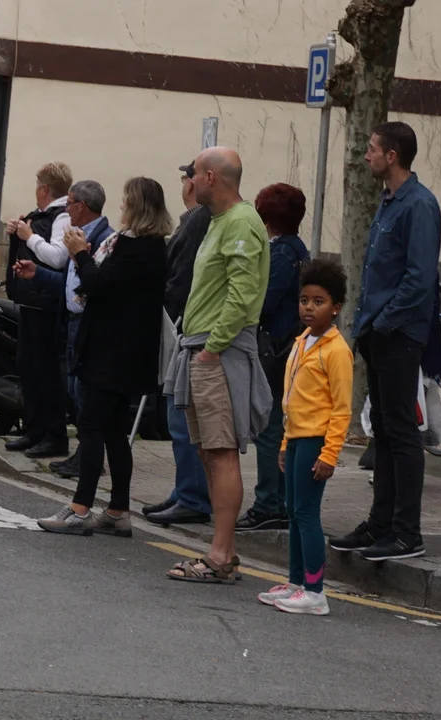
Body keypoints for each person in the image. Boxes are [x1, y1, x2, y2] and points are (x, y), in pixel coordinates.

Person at [22, 177, 169, 536]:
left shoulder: (137, 249)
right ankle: (118, 509)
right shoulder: (145, 246)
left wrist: (80, 253)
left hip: (113, 351)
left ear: (138, 207)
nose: (121, 207)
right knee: (114, 430)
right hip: (123, 351)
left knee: (91, 426)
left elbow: (98, 285)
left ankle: (80, 508)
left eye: (126, 201)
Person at [331, 121, 441, 561]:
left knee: (401, 433)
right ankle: (381, 525)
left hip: (398, 334)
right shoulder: (388, 200)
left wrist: (384, 323)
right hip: (378, 332)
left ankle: (406, 533)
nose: (367, 156)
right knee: (384, 432)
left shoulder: (420, 205)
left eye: (372, 149)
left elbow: (419, 279)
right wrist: (368, 327)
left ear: (391, 156)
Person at [164, 146, 272, 584]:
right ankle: (220, 551)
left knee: (222, 451)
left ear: (210, 177)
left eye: (194, 173)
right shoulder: (218, 221)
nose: (189, 180)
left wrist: (212, 348)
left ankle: (221, 555)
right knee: (210, 450)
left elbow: (242, 294)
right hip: (205, 348)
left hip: (218, 351)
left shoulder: (241, 222)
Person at [258, 259, 353, 616]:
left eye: (319, 301)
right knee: (292, 511)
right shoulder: (302, 341)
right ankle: (296, 582)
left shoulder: (336, 351)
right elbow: (291, 400)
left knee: (307, 513)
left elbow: (341, 409)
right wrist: (285, 443)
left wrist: (330, 454)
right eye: (304, 300)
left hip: (316, 442)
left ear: (336, 307)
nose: (309, 308)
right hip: (296, 438)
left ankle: (315, 591)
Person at [22, 180, 115, 478]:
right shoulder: (78, 235)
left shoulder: (105, 240)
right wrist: (38, 274)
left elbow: (95, 285)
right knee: (75, 391)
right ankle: (84, 455)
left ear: (81, 207)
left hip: (90, 327)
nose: (66, 207)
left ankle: (89, 459)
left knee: (84, 394)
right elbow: (70, 284)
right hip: (73, 323)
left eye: (70, 202)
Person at [237, 184, 310, 533]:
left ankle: (269, 504)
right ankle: (280, 502)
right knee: (280, 427)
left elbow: (264, 301)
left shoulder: (281, 253)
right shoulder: (297, 249)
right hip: (287, 348)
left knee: (269, 428)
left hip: (275, 349)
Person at [143, 161, 213, 526]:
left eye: (189, 177)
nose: (185, 183)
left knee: (182, 413)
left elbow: (180, 280)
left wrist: (167, 316)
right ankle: (185, 489)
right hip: (183, 326)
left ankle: (192, 495)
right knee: (178, 412)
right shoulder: (194, 219)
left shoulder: (198, 220)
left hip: (183, 328)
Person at [4, 162, 75, 460]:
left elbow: (57, 257)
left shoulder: (62, 217)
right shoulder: (41, 215)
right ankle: (33, 430)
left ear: (45, 188)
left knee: (46, 371)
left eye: (37, 186)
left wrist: (28, 236)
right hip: (31, 302)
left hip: (47, 305)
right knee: (29, 368)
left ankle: (54, 435)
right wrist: (15, 233)